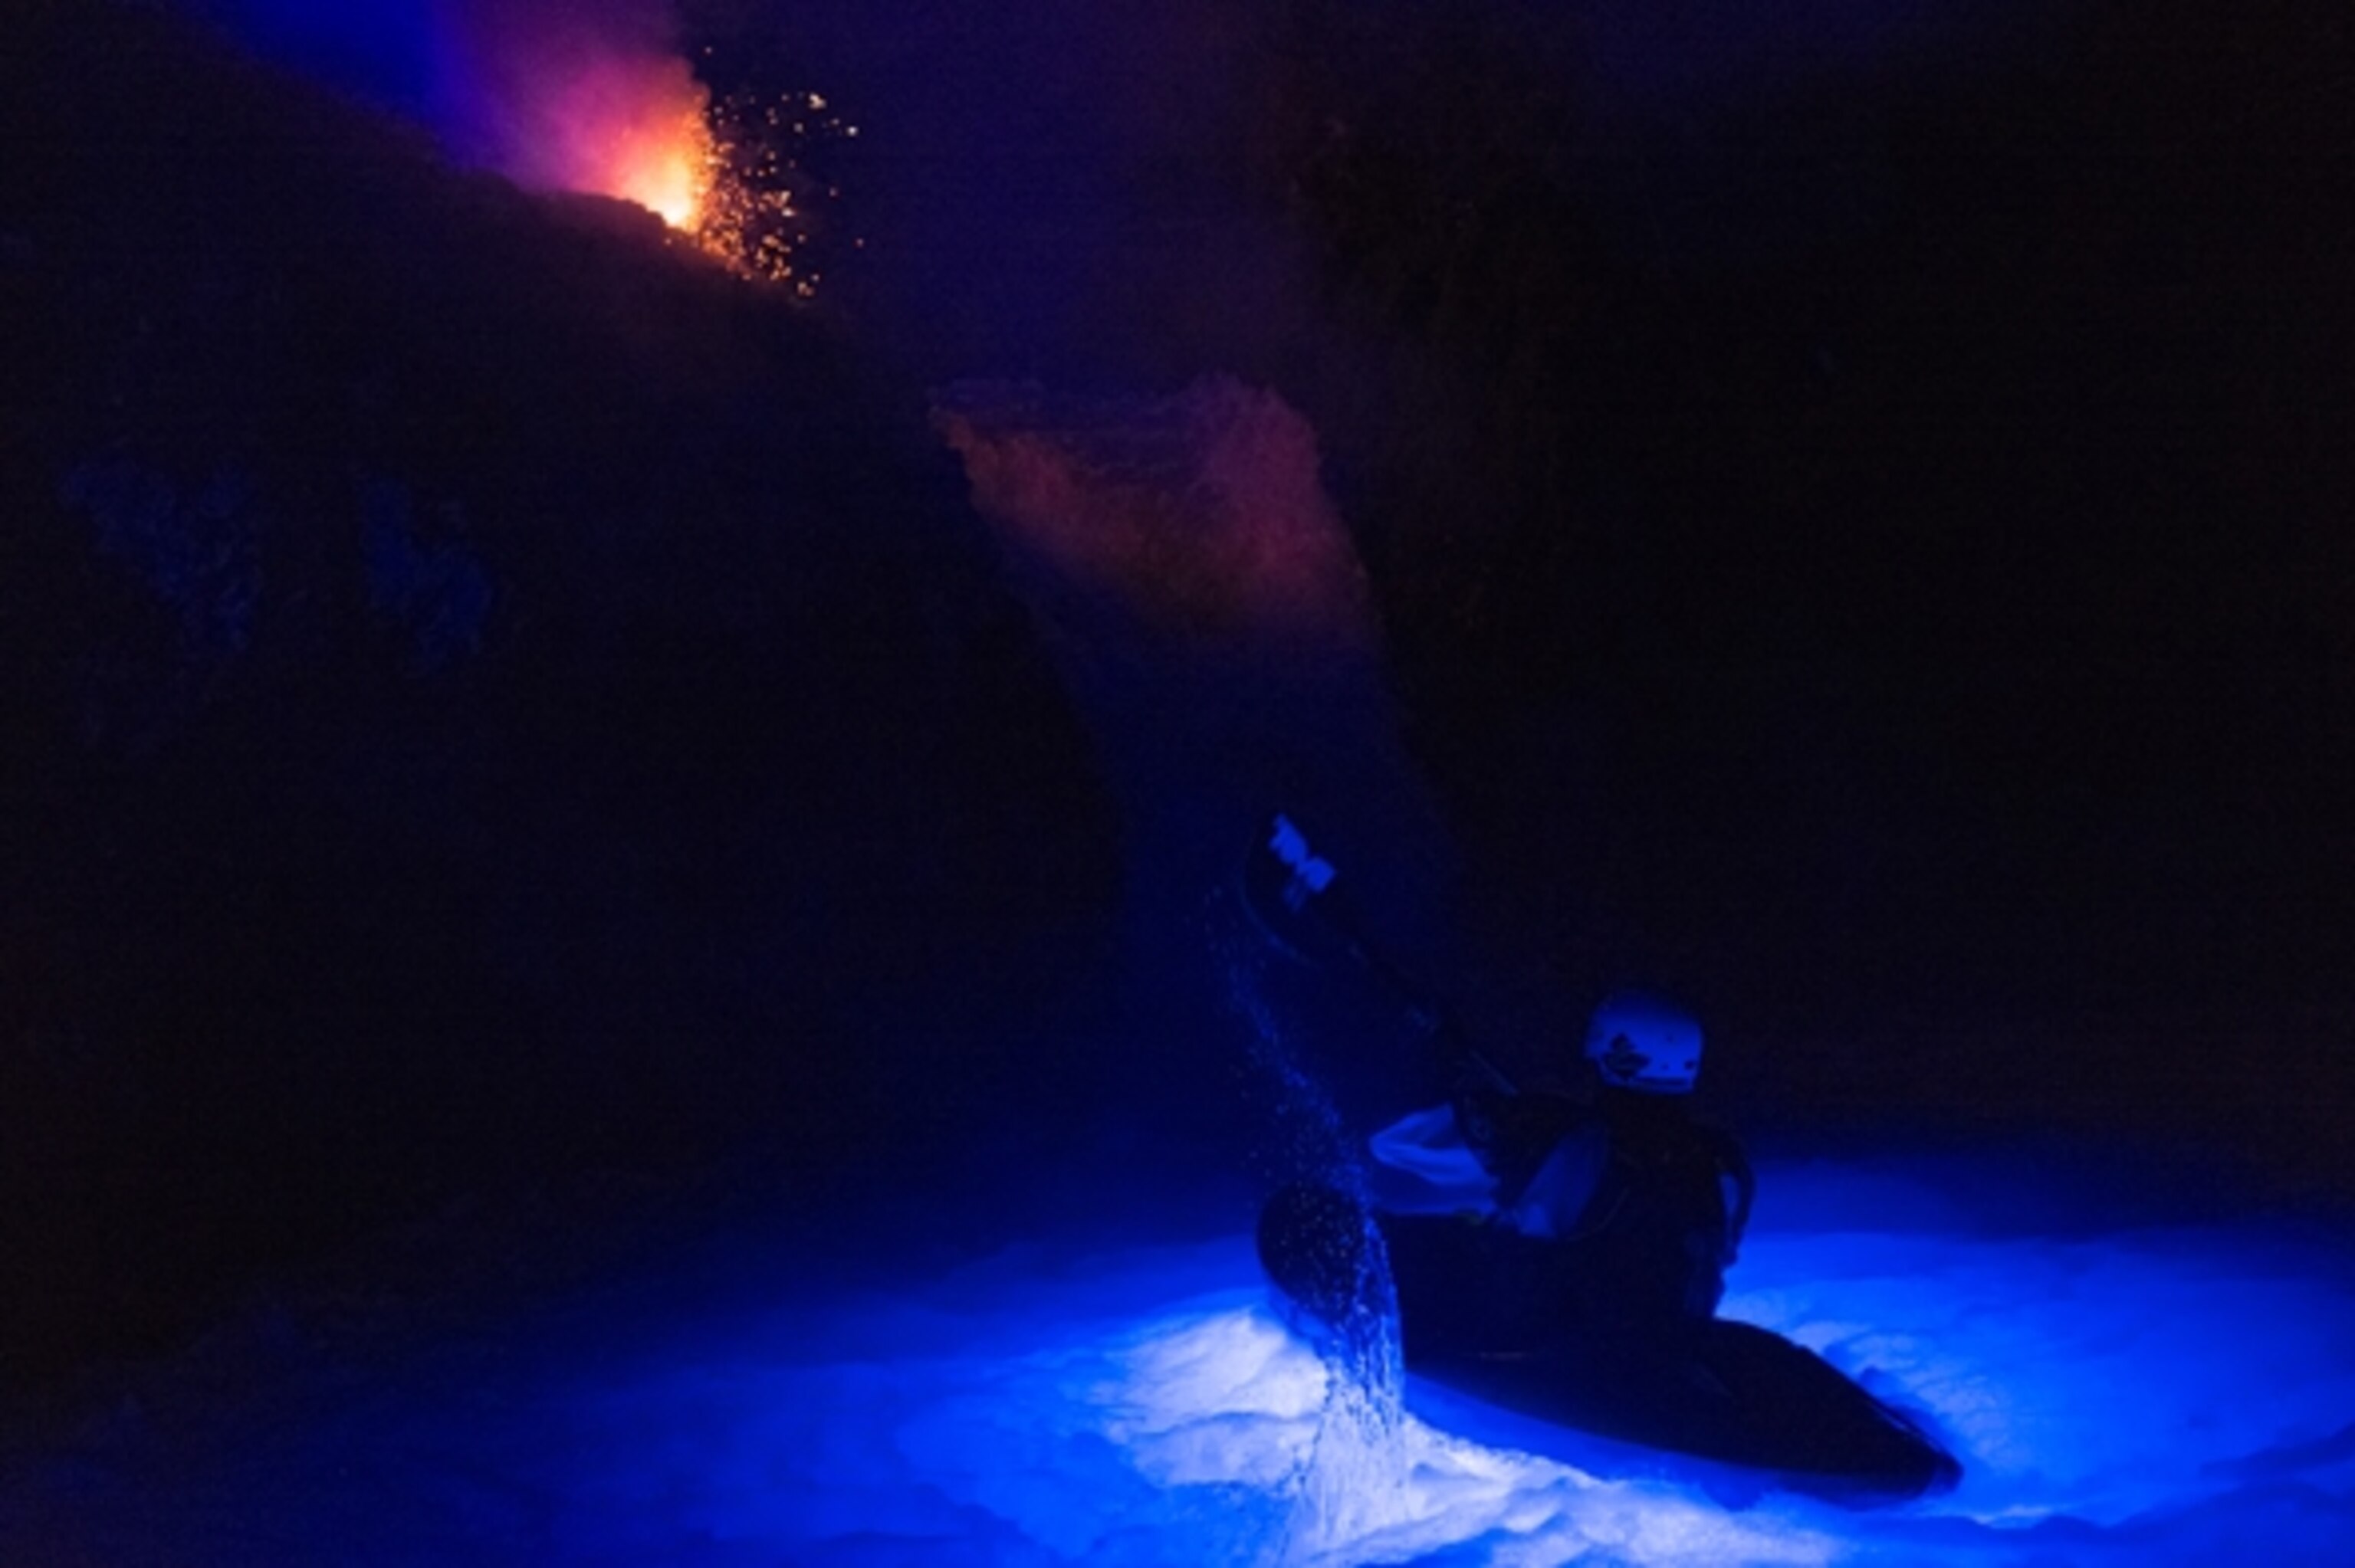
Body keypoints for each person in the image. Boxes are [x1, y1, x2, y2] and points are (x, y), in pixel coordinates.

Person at [1256, 990, 1959, 1497]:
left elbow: (1402, 1150)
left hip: (1548, 1334)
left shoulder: (1572, 1141)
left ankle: (1329, 1276)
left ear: (1610, 1054)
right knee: (1458, 1235)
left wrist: (1496, 1125)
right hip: (1660, 1330)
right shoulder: (1723, 1163)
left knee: (1368, 1227)